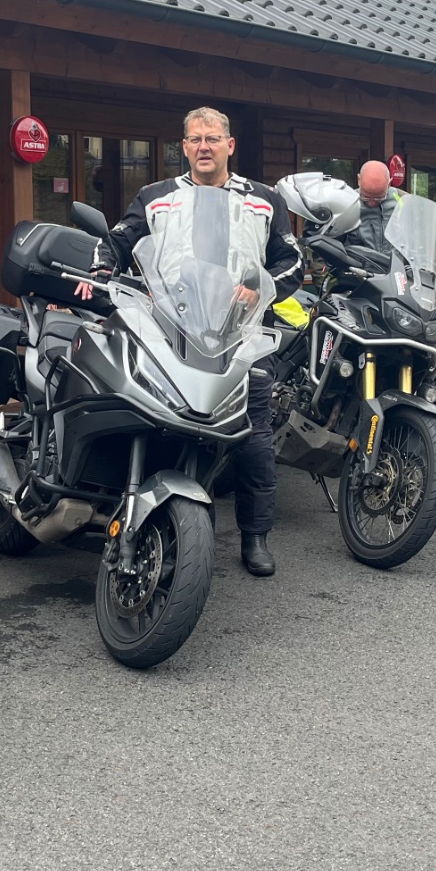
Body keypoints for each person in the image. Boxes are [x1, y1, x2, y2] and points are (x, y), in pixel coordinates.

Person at [107, 107, 303, 577]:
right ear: (184, 146)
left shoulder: (264, 199)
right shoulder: (155, 196)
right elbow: (116, 242)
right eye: (194, 139)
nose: (203, 147)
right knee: (160, 425)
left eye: (212, 138)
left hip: (242, 335)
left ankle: (255, 537)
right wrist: (97, 274)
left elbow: (293, 261)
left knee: (254, 439)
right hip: (169, 332)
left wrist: (261, 287)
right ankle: (160, 531)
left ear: (229, 145)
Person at [354, 160, 402, 259]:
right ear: (359, 180)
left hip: (395, 265)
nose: (371, 203)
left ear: (389, 184)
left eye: (378, 198)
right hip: (359, 266)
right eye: (366, 197)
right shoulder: (348, 202)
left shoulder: (401, 201)